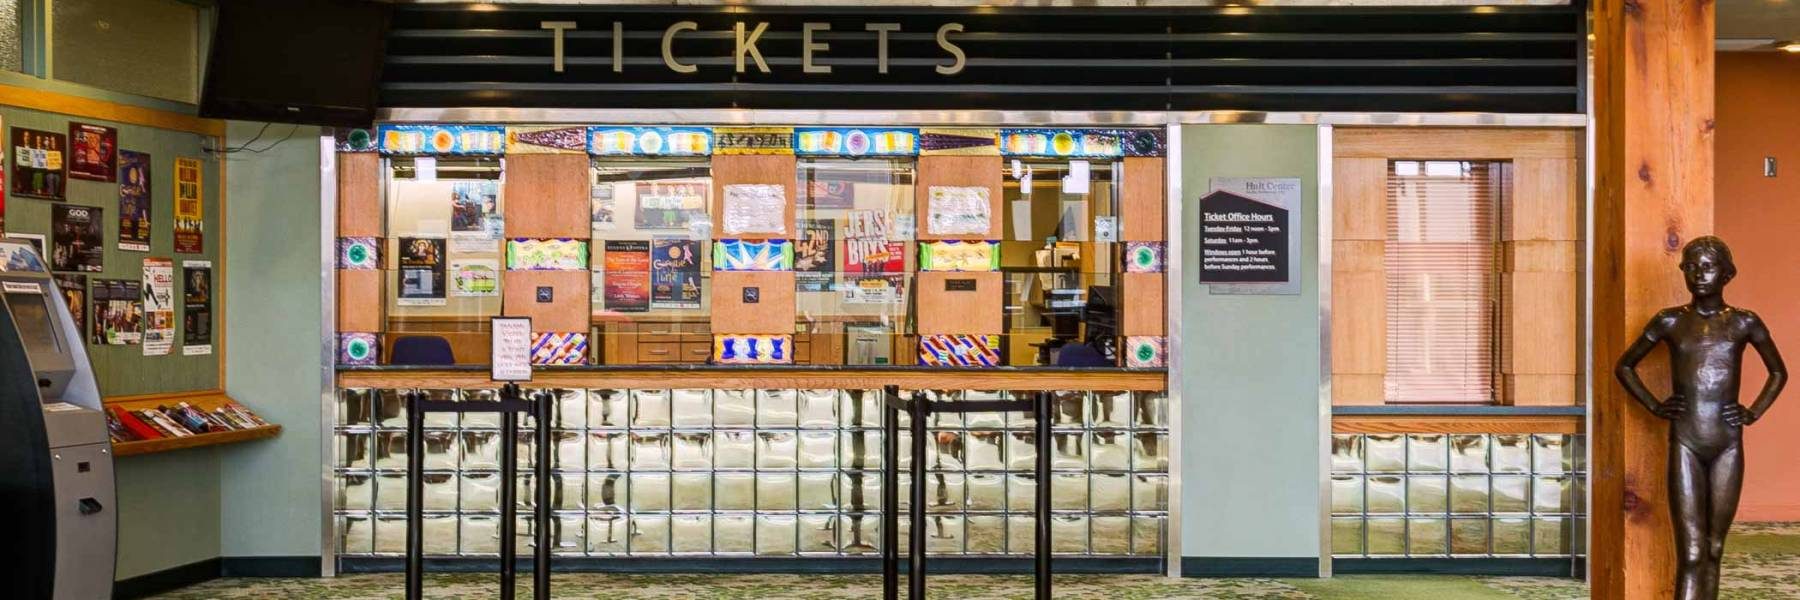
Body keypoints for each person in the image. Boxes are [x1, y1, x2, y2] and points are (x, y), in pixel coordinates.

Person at [1616, 236, 1788, 600]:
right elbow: (1625, 366)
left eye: (1708, 266)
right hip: (1686, 442)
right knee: (1691, 552)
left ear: (1727, 273)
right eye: (1691, 266)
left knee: (1714, 549)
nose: (1698, 274)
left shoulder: (1743, 323)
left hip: (1727, 443)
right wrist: (1654, 405)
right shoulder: (1670, 321)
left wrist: (1752, 411)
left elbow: (1778, 372)